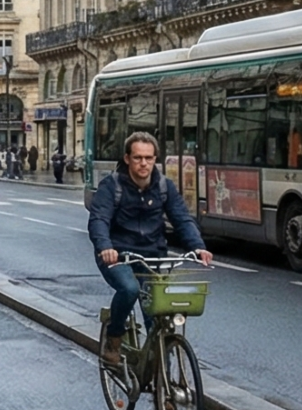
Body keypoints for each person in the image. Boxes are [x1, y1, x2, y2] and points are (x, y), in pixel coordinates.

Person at [86, 130, 212, 362]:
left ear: (155, 159)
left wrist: (197, 246)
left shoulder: (164, 186)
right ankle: (114, 337)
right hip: (118, 254)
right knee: (130, 289)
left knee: (157, 315)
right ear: (127, 159)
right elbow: (99, 219)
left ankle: (162, 382)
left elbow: (182, 218)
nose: (144, 163)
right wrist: (105, 246)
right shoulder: (111, 186)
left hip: (152, 255)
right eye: (138, 158)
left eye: (149, 158)